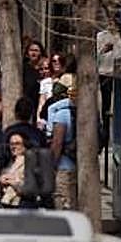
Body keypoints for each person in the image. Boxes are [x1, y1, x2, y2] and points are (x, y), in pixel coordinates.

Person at [47, 74, 76, 210]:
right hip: (81, 167)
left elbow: (57, 143)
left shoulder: (62, 115)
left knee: (63, 204)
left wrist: (52, 166)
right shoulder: (89, 112)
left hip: (65, 168)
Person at [21, 38, 44, 105]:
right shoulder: (23, 68)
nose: (33, 53)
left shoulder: (44, 69)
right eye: (31, 50)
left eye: (36, 50)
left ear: (40, 53)